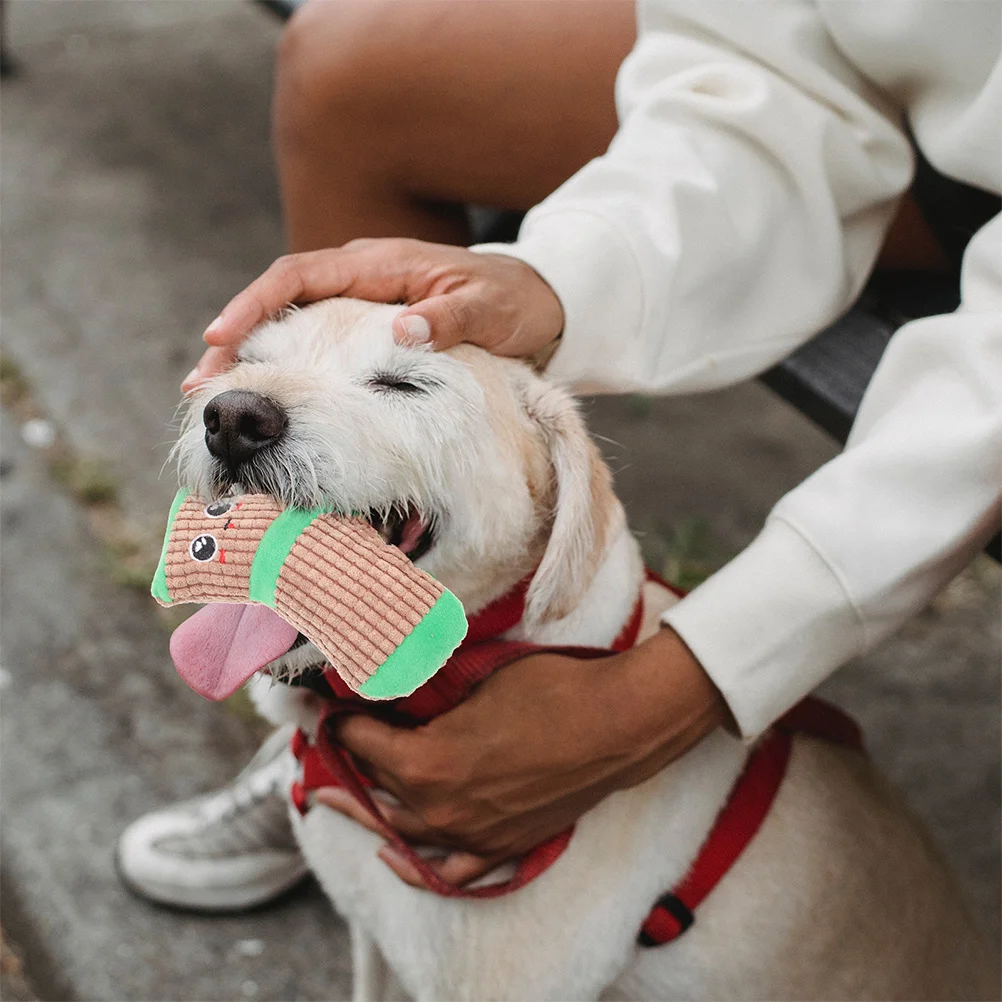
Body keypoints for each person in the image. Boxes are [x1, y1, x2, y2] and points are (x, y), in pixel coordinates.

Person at [117, 0, 1000, 907]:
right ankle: (340, 712)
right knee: (343, 70)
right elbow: (769, 68)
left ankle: (452, 710)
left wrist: (678, 684)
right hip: (906, 80)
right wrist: (554, 278)